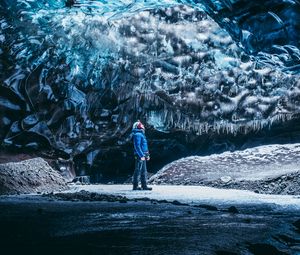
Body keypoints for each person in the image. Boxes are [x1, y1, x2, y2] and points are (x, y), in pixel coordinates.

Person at [132, 120, 152, 191]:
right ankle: (135, 186)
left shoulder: (141, 134)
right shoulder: (137, 134)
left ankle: (144, 186)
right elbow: (137, 146)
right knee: (138, 170)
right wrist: (141, 155)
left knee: (144, 171)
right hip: (139, 155)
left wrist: (147, 155)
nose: (143, 126)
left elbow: (144, 146)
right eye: (142, 125)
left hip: (143, 155)